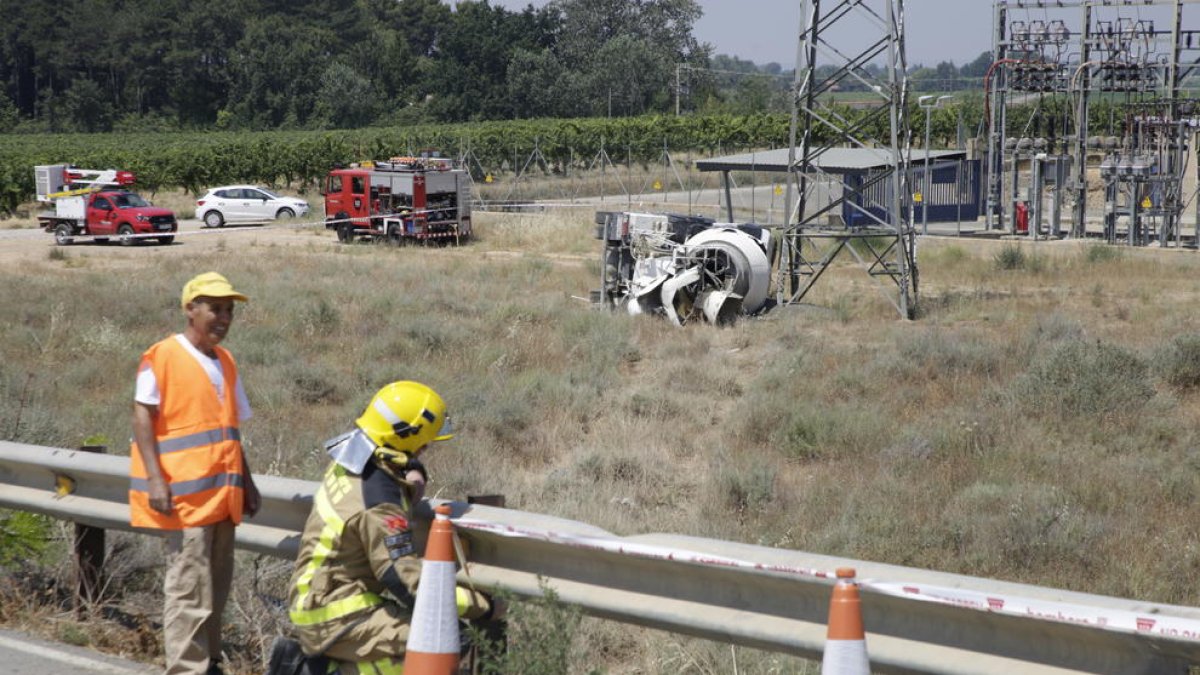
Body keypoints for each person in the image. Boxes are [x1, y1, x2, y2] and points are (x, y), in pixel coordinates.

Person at [282, 381, 493, 674]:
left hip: (316, 601)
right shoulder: (379, 500)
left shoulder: (351, 460)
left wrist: (412, 468)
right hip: (337, 612)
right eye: (424, 444)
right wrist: (481, 604)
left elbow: (390, 465)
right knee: (450, 642)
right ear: (408, 438)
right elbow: (404, 580)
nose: (426, 448)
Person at [130, 272, 261, 675]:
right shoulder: (163, 355)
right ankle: (186, 668)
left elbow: (230, 429)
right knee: (189, 588)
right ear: (191, 309)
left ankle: (210, 661)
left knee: (215, 590)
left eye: (229, 311)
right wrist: (155, 478)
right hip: (183, 497)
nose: (223, 318)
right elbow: (142, 415)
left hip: (223, 497)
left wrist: (248, 482)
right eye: (215, 309)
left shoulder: (226, 360)